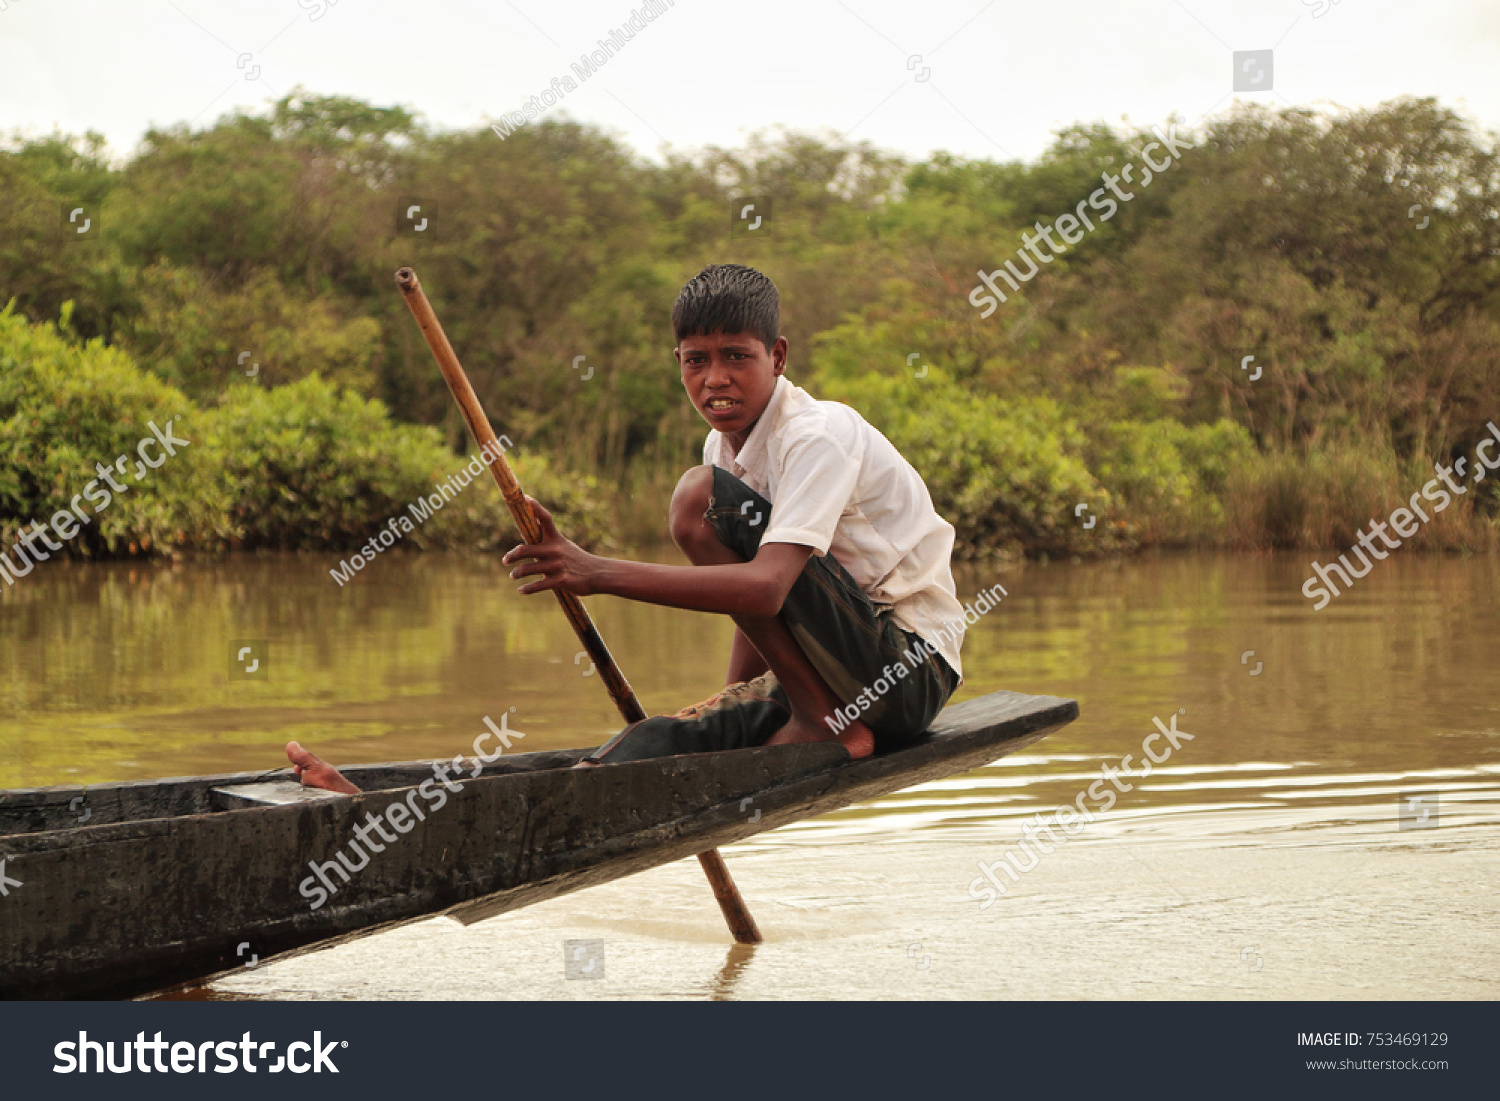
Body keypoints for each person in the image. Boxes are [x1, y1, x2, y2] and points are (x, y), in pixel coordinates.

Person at [290, 263, 965, 788]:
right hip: (828, 671)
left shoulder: (817, 434)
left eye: (737, 356)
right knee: (654, 744)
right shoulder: (724, 448)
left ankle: (820, 721)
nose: (714, 380)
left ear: (779, 356)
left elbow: (765, 589)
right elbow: (759, 607)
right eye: (695, 360)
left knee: (695, 499)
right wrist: (727, 705)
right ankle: (377, 808)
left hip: (903, 671)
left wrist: (598, 572)